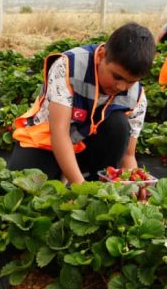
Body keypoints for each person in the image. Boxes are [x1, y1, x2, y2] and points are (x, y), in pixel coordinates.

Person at [10, 22, 155, 184]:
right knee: (24, 183)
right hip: (47, 141)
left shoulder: (137, 95)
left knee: (118, 125)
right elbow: (59, 132)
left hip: (85, 145)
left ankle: (98, 181)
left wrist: (135, 187)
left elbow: (128, 155)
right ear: (101, 56)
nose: (121, 86)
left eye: (131, 82)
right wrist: (81, 187)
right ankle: (70, 176)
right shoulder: (68, 66)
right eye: (117, 76)